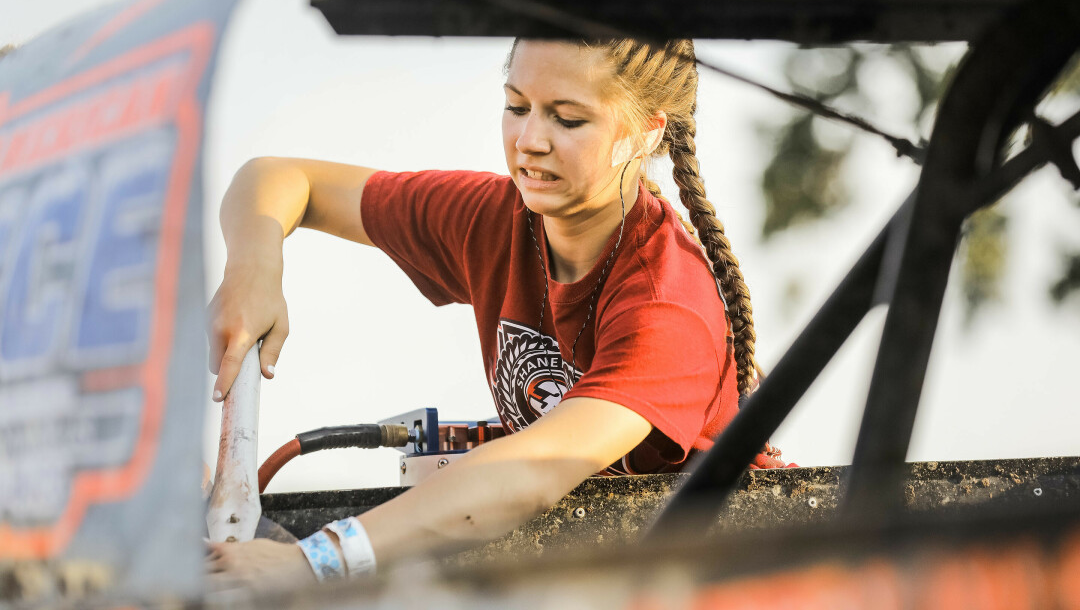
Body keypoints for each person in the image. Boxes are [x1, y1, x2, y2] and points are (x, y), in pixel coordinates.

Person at [206, 38, 780, 586]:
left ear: (646, 131)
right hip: (580, 567)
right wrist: (252, 271)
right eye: (516, 106)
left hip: (717, 572)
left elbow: (533, 472)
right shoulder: (493, 218)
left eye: (568, 119)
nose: (529, 139)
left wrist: (319, 562)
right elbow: (279, 179)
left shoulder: (667, 301)